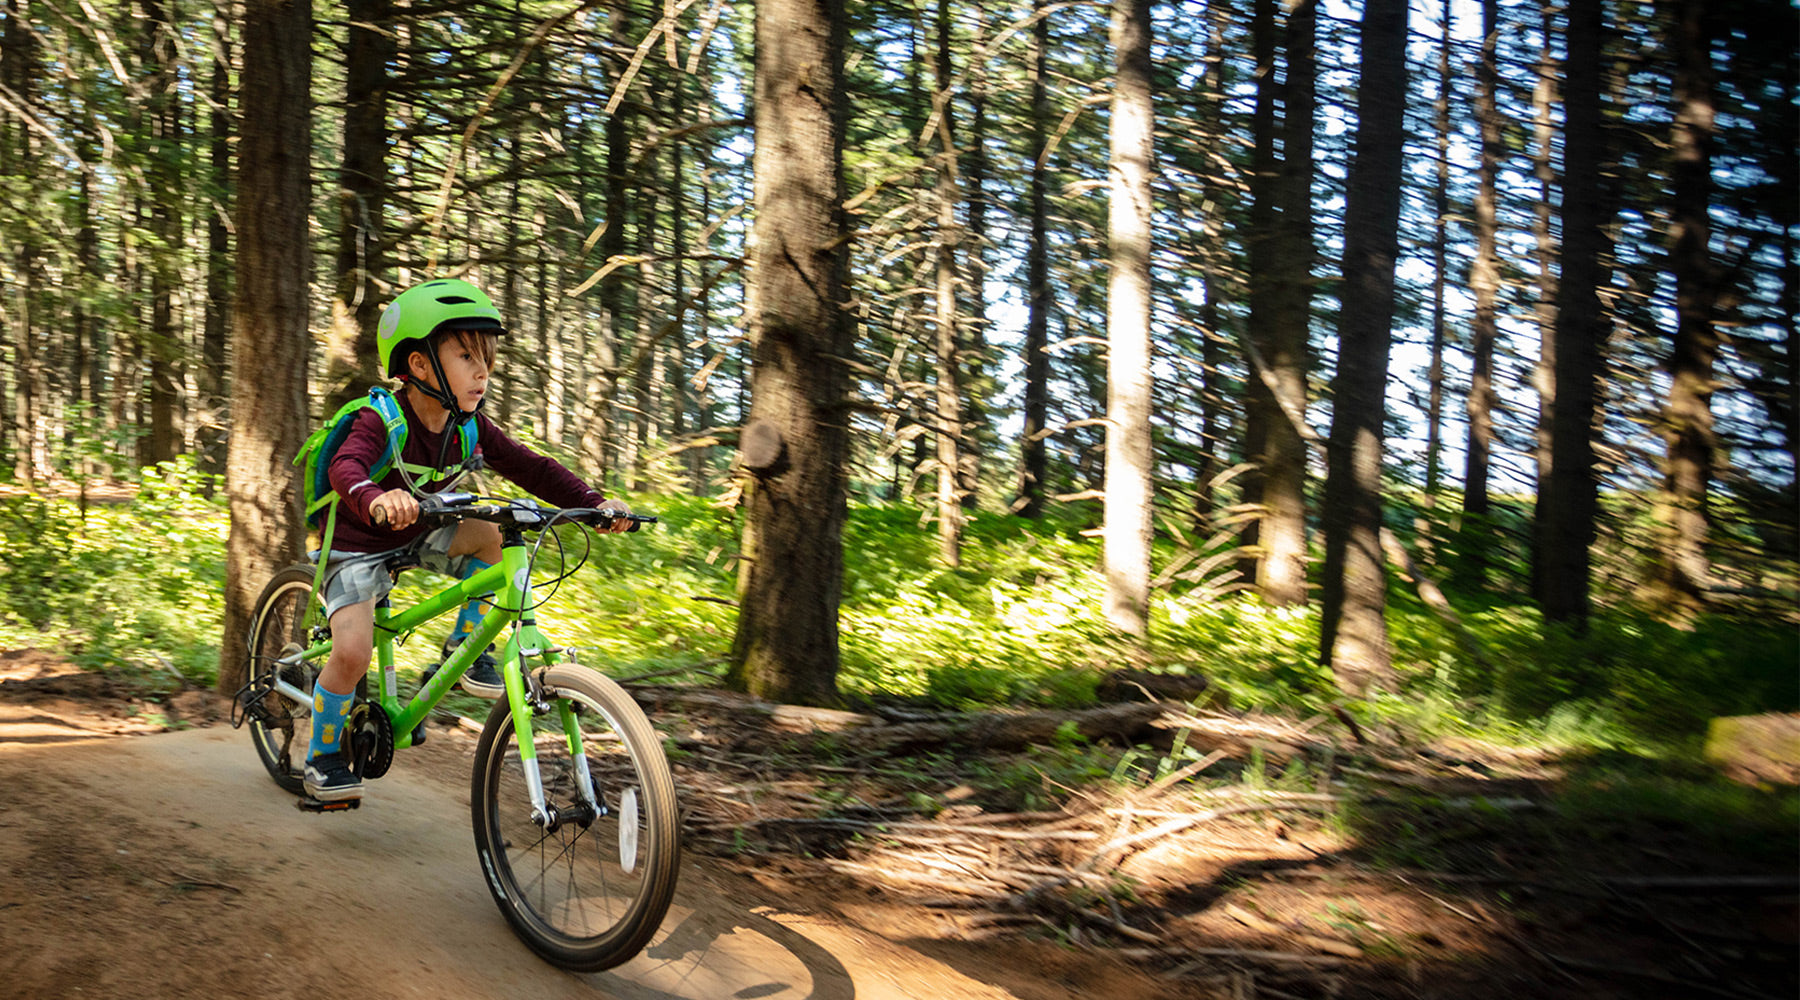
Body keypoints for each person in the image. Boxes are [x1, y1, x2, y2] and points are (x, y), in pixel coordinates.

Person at [303, 277, 630, 804]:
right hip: (357, 543)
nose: (483, 371)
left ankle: (463, 649)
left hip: (417, 531)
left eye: (487, 358)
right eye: (466, 356)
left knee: (495, 537)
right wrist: (374, 498)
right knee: (354, 652)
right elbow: (347, 465)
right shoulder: (381, 418)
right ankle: (321, 756)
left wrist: (594, 504)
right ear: (420, 364)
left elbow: (531, 467)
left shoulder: (469, 425)